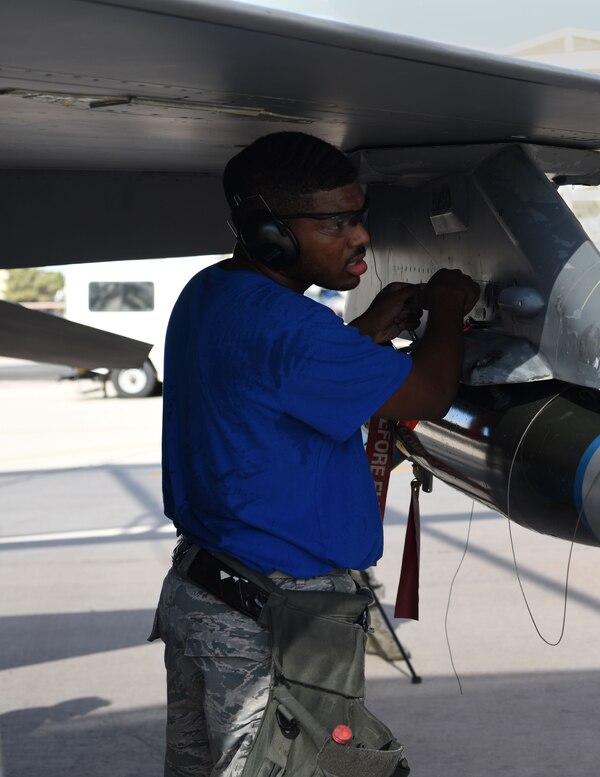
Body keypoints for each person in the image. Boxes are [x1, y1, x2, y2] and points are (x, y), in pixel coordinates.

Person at [151, 131, 479, 776]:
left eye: (359, 217)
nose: (359, 237)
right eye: (337, 222)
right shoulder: (294, 329)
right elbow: (431, 392)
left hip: (210, 591)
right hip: (277, 614)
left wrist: (364, 334)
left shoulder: (213, 291)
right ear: (268, 232)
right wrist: (447, 311)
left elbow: (272, 382)